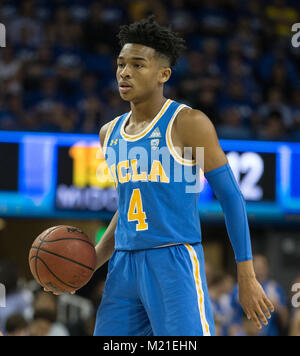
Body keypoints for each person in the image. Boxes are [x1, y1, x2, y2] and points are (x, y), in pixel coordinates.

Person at [44, 15, 274, 336]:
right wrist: (88, 263)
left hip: (174, 260)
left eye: (138, 65)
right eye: (121, 64)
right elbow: (127, 209)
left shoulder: (188, 122)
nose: (125, 72)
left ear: (163, 74)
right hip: (123, 265)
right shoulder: (108, 133)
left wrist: (246, 276)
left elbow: (232, 198)